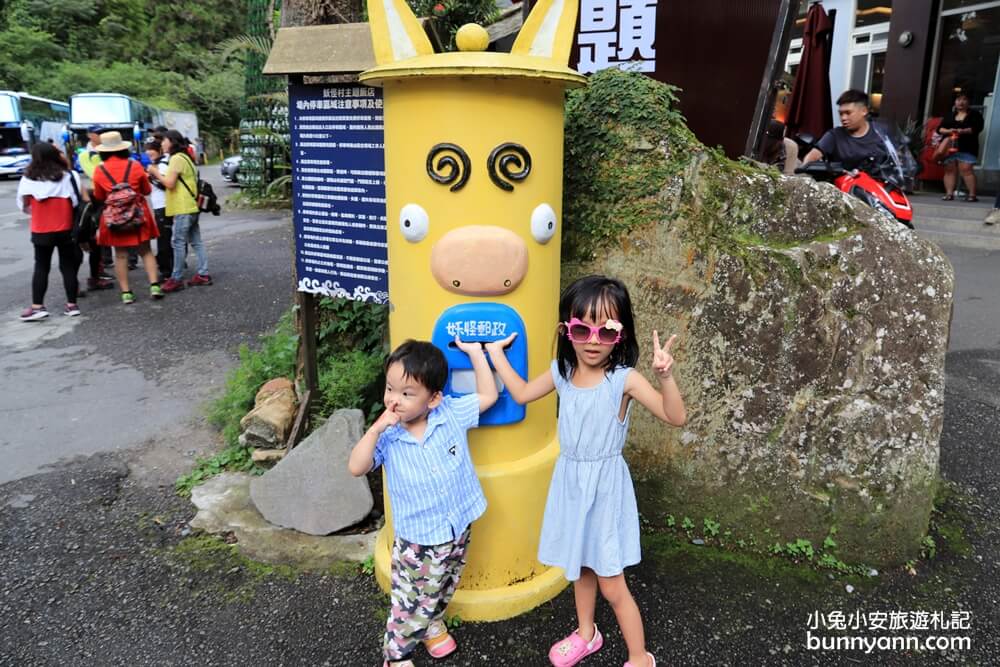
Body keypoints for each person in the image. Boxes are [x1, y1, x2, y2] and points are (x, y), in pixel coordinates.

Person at [487, 275, 686, 667]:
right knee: (579, 569)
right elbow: (524, 393)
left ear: (621, 334)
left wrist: (665, 376)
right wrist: (494, 355)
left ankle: (639, 657)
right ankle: (586, 634)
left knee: (612, 584)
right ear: (567, 330)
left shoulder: (623, 380)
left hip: (606, 490)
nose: (593, 340)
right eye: (582, 328)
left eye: (607, 330)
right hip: (572, 486)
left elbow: (674, 416)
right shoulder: (562, 372)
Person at [348, 339, 498, 667]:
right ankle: (397, 655)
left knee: (445, 585)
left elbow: (489, 396)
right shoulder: (387, 436)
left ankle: (432, 624)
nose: (394, 400)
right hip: (419, 540)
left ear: (434, 399)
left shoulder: (450, 413)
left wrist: (476, 354)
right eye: (390, 389)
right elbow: (356, 467)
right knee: (410, 602)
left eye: (406, 393)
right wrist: (375, 428)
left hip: (457, 525)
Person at [91, 131, 163, 304]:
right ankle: (154, 285)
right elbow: (146, 190)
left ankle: (126, 293)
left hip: (114, 218)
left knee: (121, 254)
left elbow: (99, 196)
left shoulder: (99, 170)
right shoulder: (135, 166)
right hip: (138, 214)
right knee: (145, 250)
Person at [16, 143, 84, 320]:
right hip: (65, 227)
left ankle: (38, 307)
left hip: (41, 228)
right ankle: (72, 305)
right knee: (67, 265)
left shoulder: (28, 178)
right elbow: (76, 201)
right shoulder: (69, 175)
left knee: (41, 266)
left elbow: (23, 204)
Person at [149, 130, 211, 292]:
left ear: (172, 142)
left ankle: (176, 278)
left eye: (164, 141)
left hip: (183, 207)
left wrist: (155, 173)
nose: (161, 144)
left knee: (177, 242)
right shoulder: (187, 157)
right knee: (196, 242)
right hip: (192, 205)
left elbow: (169, 183)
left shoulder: (176, 159)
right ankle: (203, 274)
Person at [802, 89, 888, 172]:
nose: (843, 118)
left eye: (848, 113)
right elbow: (811, 157)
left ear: (864, 111)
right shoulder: (834, 136)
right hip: (843, 184)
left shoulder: (881, 133)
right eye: (841, 114)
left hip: (876, 184)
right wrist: (806, 168)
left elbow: (897, 159)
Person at [938, 92, 984, 202]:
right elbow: (939, 129)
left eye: (964, 99)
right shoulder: (950, 114)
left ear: (968, 102)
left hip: (967, 146)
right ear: (955, 102)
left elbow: (977, 128)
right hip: (949, 146)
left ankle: (972, 195)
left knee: (966, 169)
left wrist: (962, 131)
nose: (961, 102)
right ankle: (949, 194)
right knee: (949, 170)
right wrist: (949, 131)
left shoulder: (975, 114)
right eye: (958, 100)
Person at [144, 139, 173, 278]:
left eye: (151, 149)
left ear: (159, 150)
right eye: (147, 149)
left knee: (164, 239)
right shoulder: (156, 164)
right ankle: (167, 265)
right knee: (164, 237)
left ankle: (166, 270)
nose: (148, 151)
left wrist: (152, 175)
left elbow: (166, 185)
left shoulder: (162, 165)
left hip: (164, 205)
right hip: (159, 205)